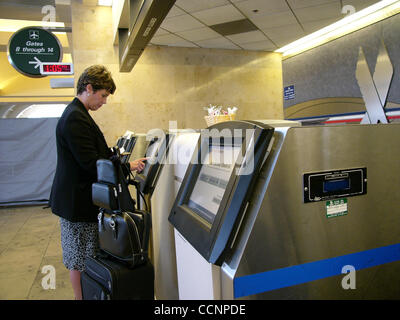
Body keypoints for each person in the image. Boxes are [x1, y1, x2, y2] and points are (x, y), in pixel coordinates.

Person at [49, 65, 146, 300]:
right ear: (89, 88)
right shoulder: (75, 118)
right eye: (102, 95)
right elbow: (91, 163)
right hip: (77, 203)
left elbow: (94, 156)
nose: (104, 102)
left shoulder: (78, 114)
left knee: (83, 256)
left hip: (78, 199)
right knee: (80, 259)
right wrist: (128, 166)